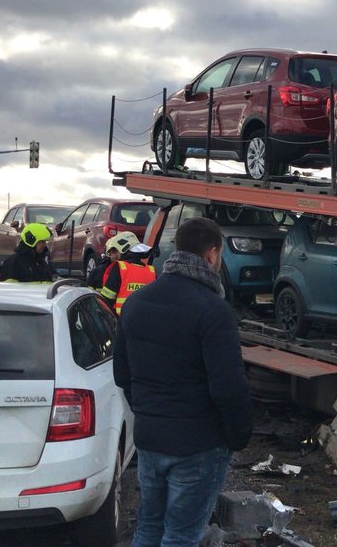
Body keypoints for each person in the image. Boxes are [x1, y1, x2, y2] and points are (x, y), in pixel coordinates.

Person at [113, 217, 252, 546]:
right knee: (181, 534)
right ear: (212, 255)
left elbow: (122, 372)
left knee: (149, 525)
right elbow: (228, 387)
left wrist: (148, 412)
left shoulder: (136, 303)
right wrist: (237, 435)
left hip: (150, 438)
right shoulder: (213, 310)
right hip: (198, 444)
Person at [99, 238, 156, 315]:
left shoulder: (120, 267)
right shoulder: (151, 271)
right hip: (146, 320)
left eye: (117, 252)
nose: (116, 256)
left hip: (123, 320)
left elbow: (106, 299)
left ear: (123, 251)